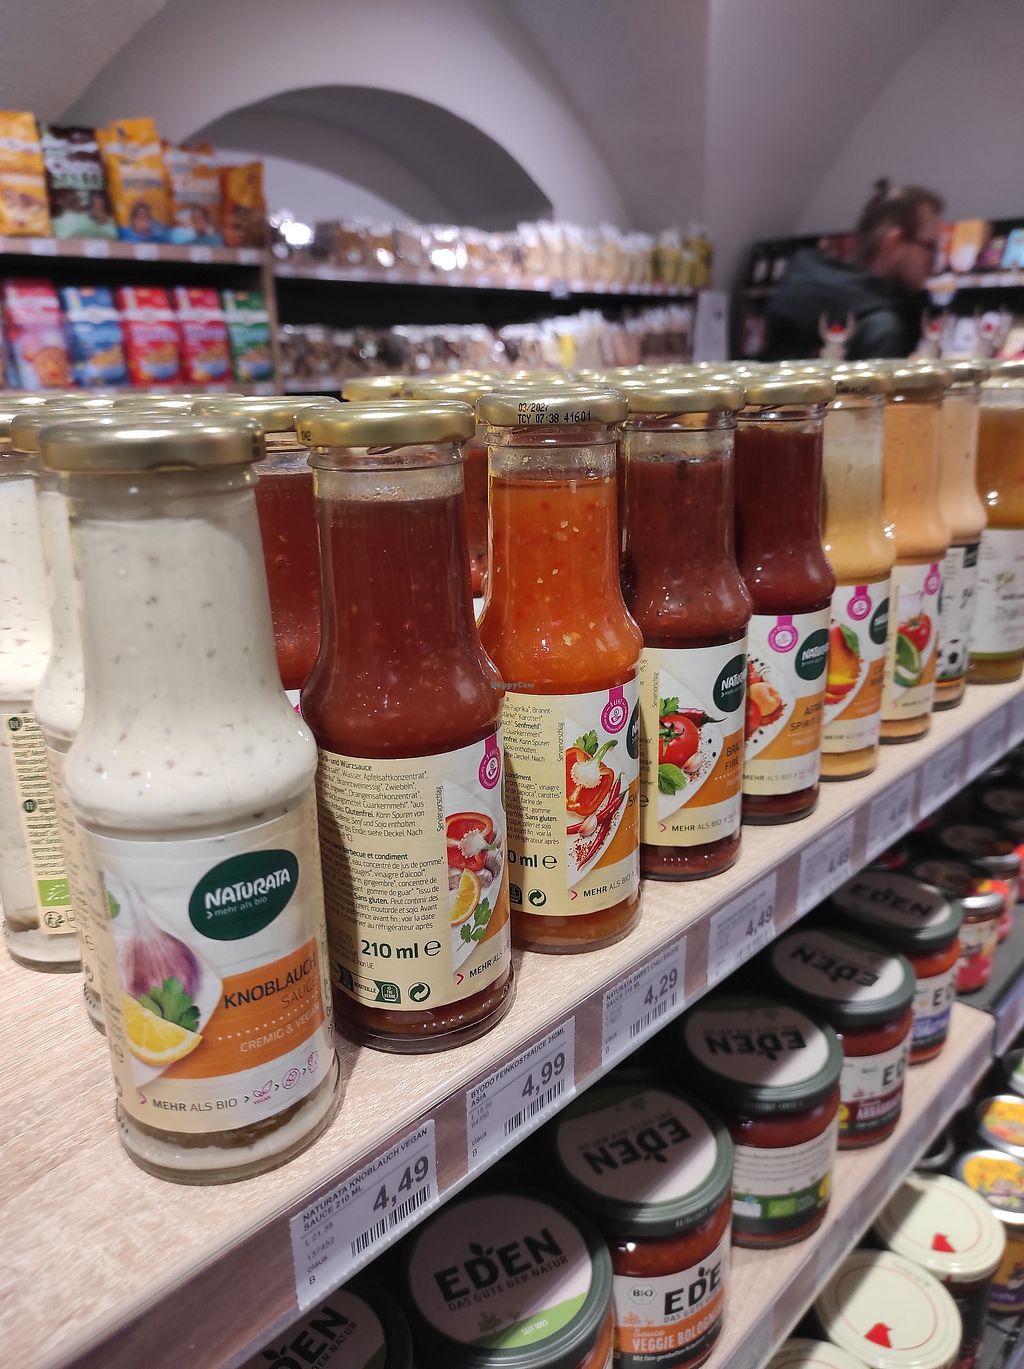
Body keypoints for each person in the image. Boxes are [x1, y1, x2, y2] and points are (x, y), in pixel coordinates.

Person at [763, 179, 944, 361]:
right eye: (929, 247)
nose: (934, 262)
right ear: (894, 242)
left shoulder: (806, 290)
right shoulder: (882, 328)